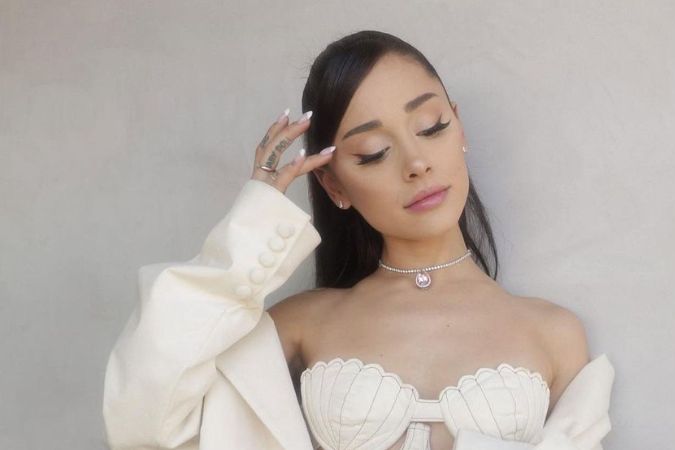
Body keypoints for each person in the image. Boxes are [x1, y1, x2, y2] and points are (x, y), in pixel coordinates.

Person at [103, 30, 614, 450]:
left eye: (431, 127)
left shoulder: (554, 333)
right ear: (335, 186)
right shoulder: (301, 324)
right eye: (373, 153)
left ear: (459, 127)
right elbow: (143, 420)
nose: (416, 163)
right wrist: (251, 229)